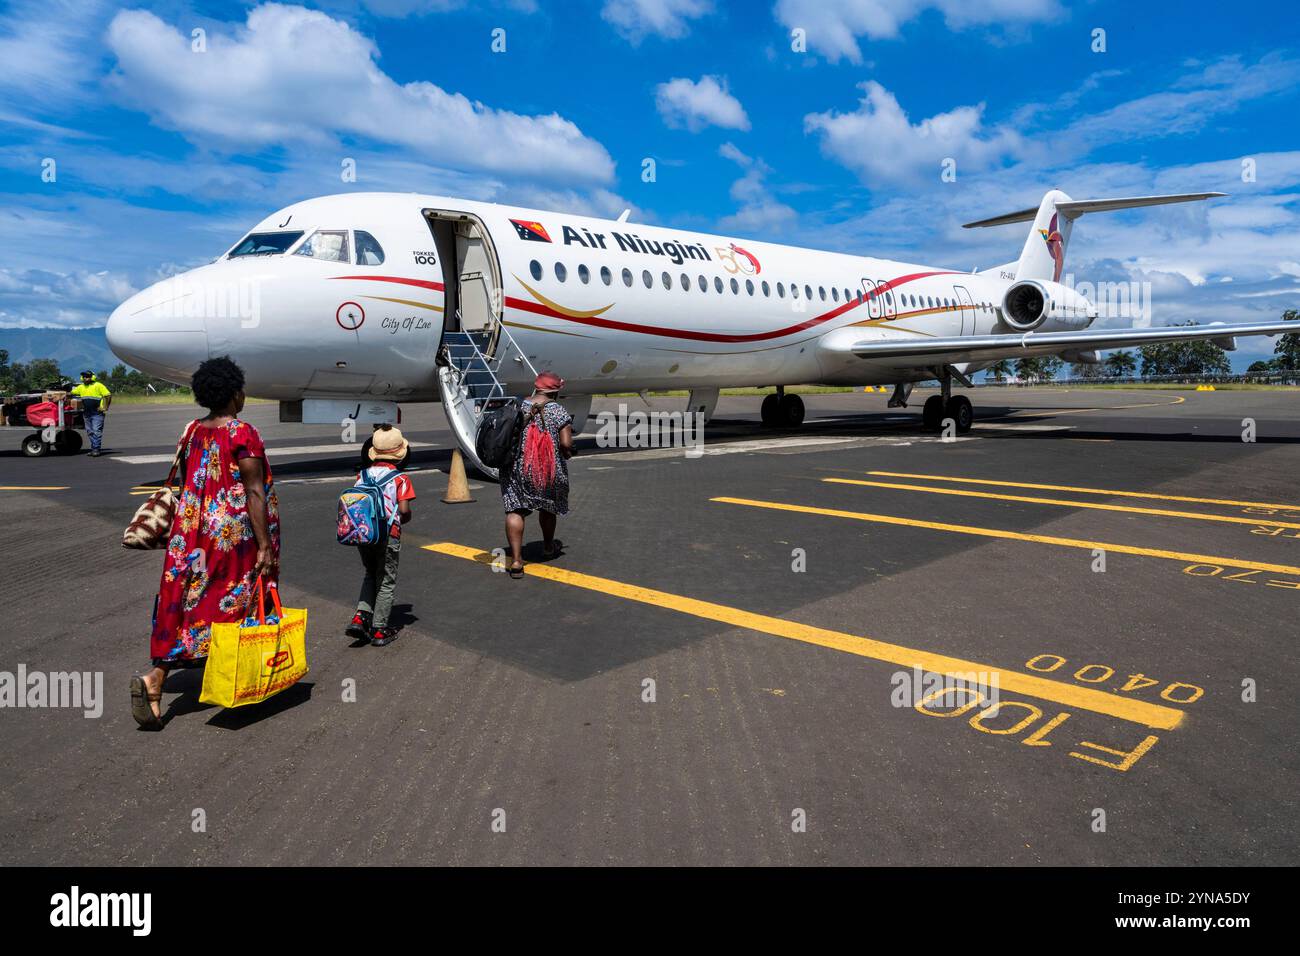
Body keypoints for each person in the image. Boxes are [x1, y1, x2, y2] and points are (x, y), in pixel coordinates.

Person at [130, 356, 279, 729]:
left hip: (188, 533)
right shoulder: (242, 433)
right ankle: (235, 685)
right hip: (230, 535)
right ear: (233, 393)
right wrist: (263, 544)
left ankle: (156, 678)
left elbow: (191, 480)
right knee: (236, 601)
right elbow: (254, 491)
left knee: (186, 601)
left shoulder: (191, 430)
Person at [345, 425, 415, 646]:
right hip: (387, 533)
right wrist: (402, 519)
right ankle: (379, 628)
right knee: (386, 580)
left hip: (363, 533)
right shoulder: (400, 478)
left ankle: (361, 616)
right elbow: (404, 510)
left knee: (369, 573)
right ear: (400, 453)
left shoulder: (362, 474)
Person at [500, 371, 573, 578]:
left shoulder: (518, 405)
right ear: (556, 390)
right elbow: (566, 444)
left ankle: (515, 560)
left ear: (537, 387)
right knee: (548, 507)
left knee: (515, 510)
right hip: (546, 468)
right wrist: (568, 452)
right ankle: (549, 547)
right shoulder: (558, 412)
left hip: (516, 468)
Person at [69, 370, 111, 456]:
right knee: (90, 431)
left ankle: (96, 449)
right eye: (84, 376)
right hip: (87, 413)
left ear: (92, 377)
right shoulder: (81, 387)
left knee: (96, 431)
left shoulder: (98, 385)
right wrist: (62, 393)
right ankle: (93, 449)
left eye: (87, 376)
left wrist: (105, 407)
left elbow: (108, 395)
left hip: (97, 413)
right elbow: (71, 393)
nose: (85, 378)